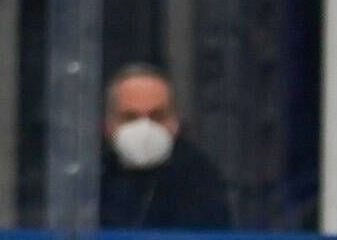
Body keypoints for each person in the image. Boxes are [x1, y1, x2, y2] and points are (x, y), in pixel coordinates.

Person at [97, 62, 235, 229]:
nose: (144, 128)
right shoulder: (93, 178)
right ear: (107, 125)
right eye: (130, 118)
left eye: (157, 116)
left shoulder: (201, 178)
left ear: (175, 122)